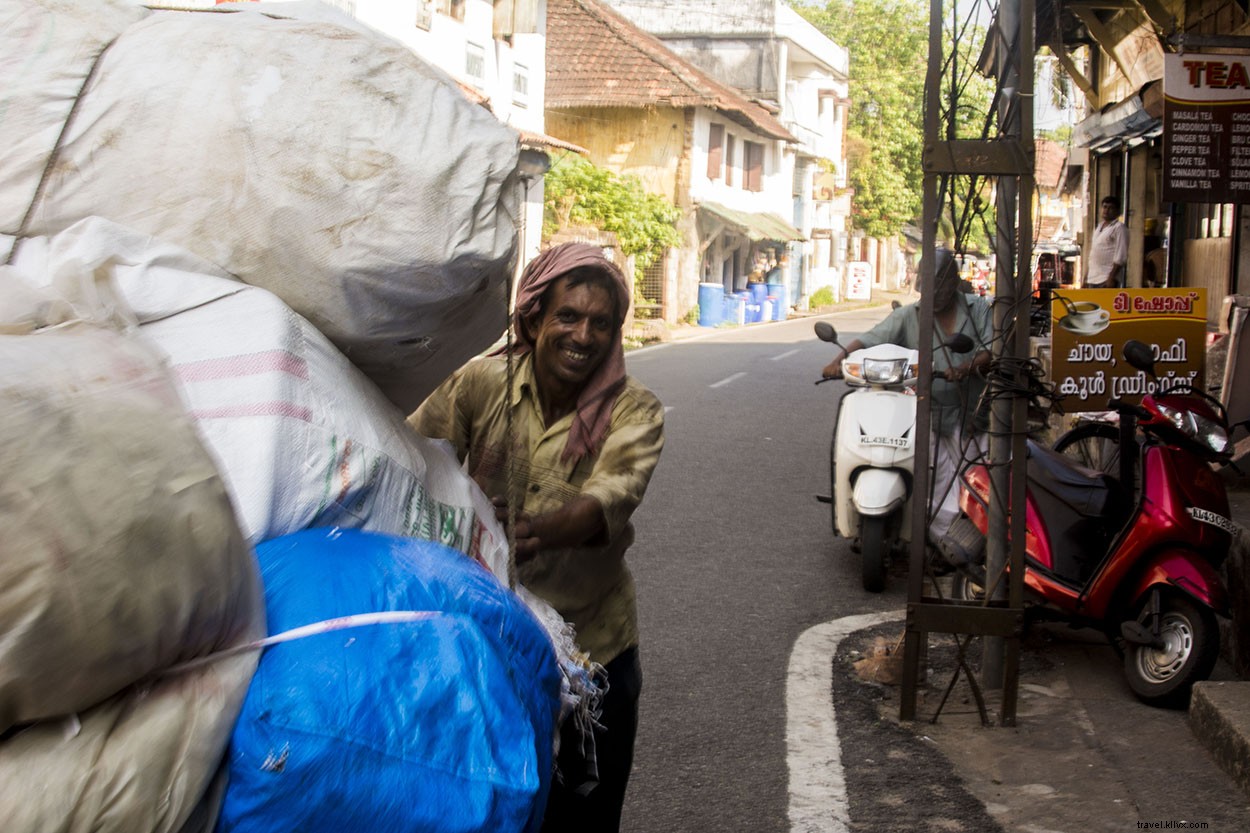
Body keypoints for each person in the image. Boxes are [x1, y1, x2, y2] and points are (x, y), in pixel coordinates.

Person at [408, 242, 665, 832]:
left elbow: (607, 502)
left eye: (601, 323)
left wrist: (531, 533)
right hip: (487, 643)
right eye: (567, 317)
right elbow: (415, 460)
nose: (583, 336)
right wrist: (463, 504)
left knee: (585, 817)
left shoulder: (637, 412)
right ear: (532, 319)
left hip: (593, 654)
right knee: (485, 807)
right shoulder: (480, 384)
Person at [820, 249, 992, 548]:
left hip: (969, 411)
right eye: (928, 288)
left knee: (976, 479)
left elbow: (992, 349)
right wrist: (838, 360)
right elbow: (872, 337)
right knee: (935, 480)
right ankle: (941, 544)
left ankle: (980, 545)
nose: (934, 295)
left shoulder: (977, 309)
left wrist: (965, 368)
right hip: (927, 410)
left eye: (940, 287)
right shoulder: (910, 315)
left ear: (953, 283)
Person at [1085, 195, 1128, 288]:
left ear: (1117, 211)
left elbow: (1121, 256)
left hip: (1106, 278)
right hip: (1093, 278)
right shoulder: (1099, 227)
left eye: (1111, 208)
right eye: (1105, 207)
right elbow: (1093, 254)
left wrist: (1111, 278)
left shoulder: (1119, 228)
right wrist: (1086, 277)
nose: (1107, 210)